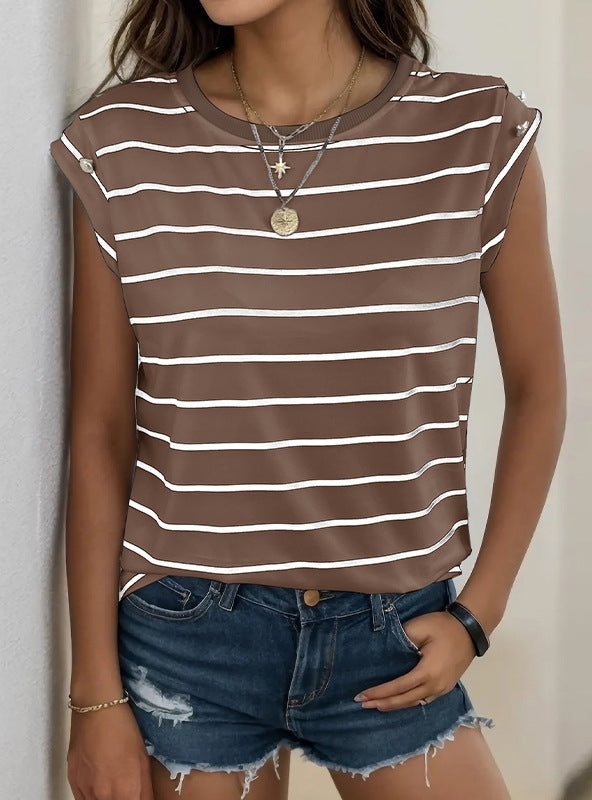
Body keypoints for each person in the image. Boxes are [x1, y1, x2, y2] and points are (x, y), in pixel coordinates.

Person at [49, 1, 566, 798]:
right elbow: (101, 429)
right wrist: (95, 696)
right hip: (187, 642)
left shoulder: (474, 131)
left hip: (392, 637)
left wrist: (479, 612)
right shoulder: (122, 142)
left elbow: (538, 390)